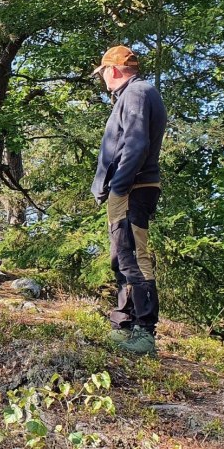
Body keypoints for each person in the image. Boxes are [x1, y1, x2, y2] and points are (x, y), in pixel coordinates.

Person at [90, 45, 167, 356]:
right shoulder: (133, 95)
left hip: (133, 188)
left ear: (114, 70)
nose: (102, 79)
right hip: (128, 188)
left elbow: (136, 143)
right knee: (121, 257)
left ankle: (144, 333)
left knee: (135, 257)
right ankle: (124, 324)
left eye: (103, 73)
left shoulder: (136, 93)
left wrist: (119, 186)